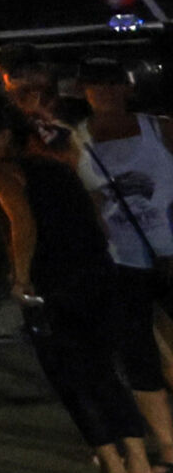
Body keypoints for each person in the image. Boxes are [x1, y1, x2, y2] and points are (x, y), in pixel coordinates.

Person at [0, 98, 170, 473]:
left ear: (2, 136)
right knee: (105, 373)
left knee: (72, 376)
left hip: (55, 284)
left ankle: (113, 470)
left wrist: (21, 279)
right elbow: (95, 217)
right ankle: (140, 466)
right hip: (97, 274)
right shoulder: (57, 167)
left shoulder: (1, 170)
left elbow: (22, 224)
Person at [71, 60, 173, 379]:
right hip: (122, 261)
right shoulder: (75, 142)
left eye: (114, 82)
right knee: (140, 348)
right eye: (96, 83)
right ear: (82, 90)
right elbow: (86, 203)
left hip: (169, 251)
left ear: (128, 87)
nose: (106, 91)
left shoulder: (161, 128)